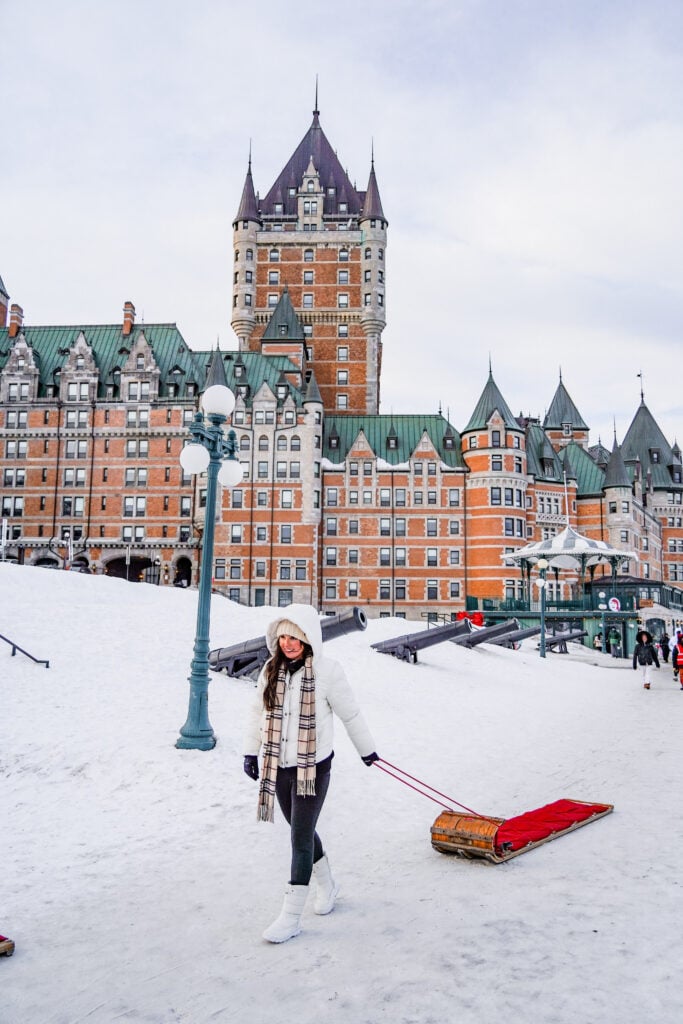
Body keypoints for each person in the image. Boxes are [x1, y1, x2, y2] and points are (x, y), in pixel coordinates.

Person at [242, 603, 378, 944]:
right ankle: (327, 885)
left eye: (295, 637)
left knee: (300, 838)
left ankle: (291, 918)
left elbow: (350, 714)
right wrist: (250, 751)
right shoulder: (271, 670)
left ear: (308, 638)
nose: (288, 644)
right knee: (300, 830)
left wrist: (366, 750)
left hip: (313, 769)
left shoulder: (328, 672)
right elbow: (258, 712)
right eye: (283, 637)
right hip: (279, 767)